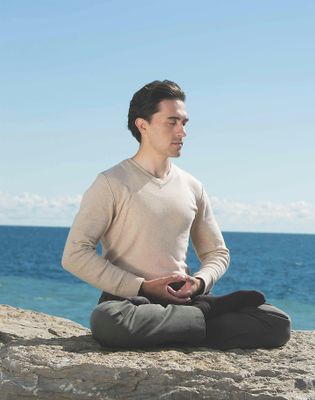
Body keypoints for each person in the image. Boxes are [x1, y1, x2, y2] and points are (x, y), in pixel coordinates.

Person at [62, 80, 291, 350]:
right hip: (131, 303)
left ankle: (190, 320)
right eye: (172, 122)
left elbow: (217, 253)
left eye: (184, 123)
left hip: (185, 299)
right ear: (142, 125)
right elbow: (75, 254)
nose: (182, 131)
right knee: (108, 321)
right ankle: (204, 316)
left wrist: (200, 282)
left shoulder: (192, 186)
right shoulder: (111, 182)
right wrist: (143, 287)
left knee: (276, 322)